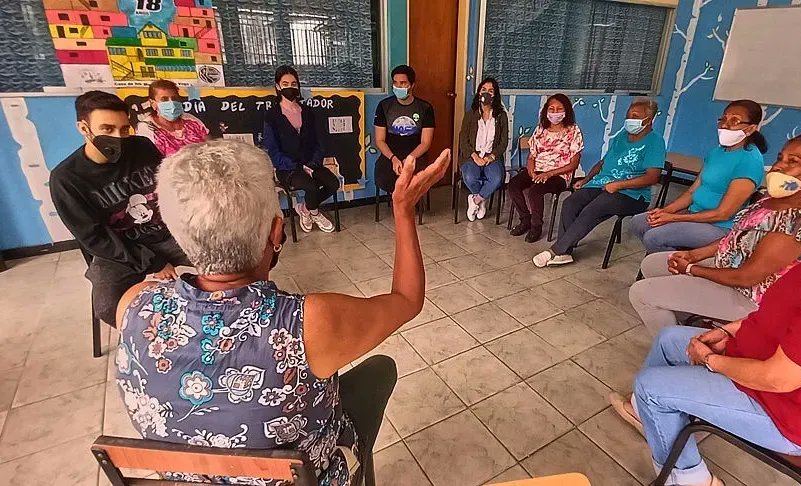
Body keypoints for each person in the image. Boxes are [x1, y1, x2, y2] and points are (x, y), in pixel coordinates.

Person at [115, 140, 450, 485]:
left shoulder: (133, 304)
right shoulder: (307, 323)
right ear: (277, 232)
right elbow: (407, 299)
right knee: (381, 369)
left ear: (179, 234)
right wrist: (403, 210)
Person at [612, 156, 801, 486]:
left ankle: (691, 478)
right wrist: (734, 329)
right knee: (669, 339)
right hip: (765, 361)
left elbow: (778, 379)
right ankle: (656, 419)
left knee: (652, 387)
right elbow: (782, 308)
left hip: (793, 414)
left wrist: (711, 360)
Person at [628, 133, 801, 332]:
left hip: (751, 297)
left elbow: (746, 277)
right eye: (781, 158)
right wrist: (695, 255)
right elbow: (738, 236)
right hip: (730, 267)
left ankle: (681, 348)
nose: (779, 166)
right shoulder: (772, 200)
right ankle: (698, 322)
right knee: (653, 264)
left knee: (641, 294)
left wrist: (693, 269)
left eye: (793, 162)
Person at [49, 90, 189, 328]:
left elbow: (170, 189)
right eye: (107, 129)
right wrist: (152, 262)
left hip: (170, 234)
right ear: (84, 128)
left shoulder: (142, 147)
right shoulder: (66, 179)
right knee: (107, 306)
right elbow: (95, 238)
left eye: (124, 130)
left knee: (234, 262)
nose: (118, 137)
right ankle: (163, 340)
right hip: (120, 250)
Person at [533, 98, 665, 267]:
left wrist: (619, 185)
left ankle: (556, 251)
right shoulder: (621, 137)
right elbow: (603, 163)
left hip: (632, 194)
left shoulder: (655, 142)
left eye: (635, 116)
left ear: (649, 120)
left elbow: (652, 177)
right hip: (602, 184)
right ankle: (565, 251)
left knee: (594, 208)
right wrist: (586, 180)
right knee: (570, 203)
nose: (630, 119)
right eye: (628, 115)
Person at [630, 100, 768, 253]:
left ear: (751, 128)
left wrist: (674, 218)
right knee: (639, 222)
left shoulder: (750, 161)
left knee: (654, 237)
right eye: (723, 119)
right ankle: (672, 257)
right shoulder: (717, 152)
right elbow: (692, 191)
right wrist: (665, 211)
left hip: (720, 227)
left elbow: (723, 213)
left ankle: (680, 265)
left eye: (734, 121)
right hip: (694, 214)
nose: (725, 125)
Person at [263, 65, 338, 233]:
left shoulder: (308, 112)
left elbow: (320, 142)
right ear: (277, 86)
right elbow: (273, 151)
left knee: (332, 184)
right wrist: (297, 166)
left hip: (311, 163)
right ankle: (315, 212)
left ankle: (305, 208)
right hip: (288, 168)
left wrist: (312, 163)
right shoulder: (272, 116)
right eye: (285, 83)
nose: (290, 87)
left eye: (294, 83)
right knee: (311, 186)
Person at [508, 93, 584, 242]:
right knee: (513, 185)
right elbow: (532, 156)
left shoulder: (573, 131)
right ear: (546, 111)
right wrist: (530, 170)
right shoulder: (541, 129)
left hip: (559, 175)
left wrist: (549, 174)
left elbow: (573, 164)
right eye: (552, 109)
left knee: (535, 191)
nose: (555, 112)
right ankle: (525, 220)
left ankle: (536, 226)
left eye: (559, 109)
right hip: (538, 170)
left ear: (566, 111)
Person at [374, 64, 435, 194]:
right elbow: (379, 140)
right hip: (391, 152)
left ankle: (408, 203)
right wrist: (393, 158)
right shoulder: (384, 106)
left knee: (415, 179)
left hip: (416, 153)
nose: (398, 87)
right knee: (383, 179)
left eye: (403, 83)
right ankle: (400, 201)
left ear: (412, 85)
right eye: (395, 83)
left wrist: (409, 159)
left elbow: (425, 143)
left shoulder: (425, 108)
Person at [458, 77, 509, 221]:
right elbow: (463, 140)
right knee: (469, 176)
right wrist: (475, 157)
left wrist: (491, 157)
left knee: (497, 178)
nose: (486, 93)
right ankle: (482, 199)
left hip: (492, 157)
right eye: (484, 90)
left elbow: (503, 142)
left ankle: (475, 201)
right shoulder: (471, 114)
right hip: (472, 156)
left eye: (491, 91)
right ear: (479, 92)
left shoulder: (501, 116)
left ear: (495, 95)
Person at [135, 79, 209, 157]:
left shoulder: (191, 120)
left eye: (174, 98)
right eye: (164, 99)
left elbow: (210, 145)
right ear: (153, 103)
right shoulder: (146, 128)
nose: (171, 103)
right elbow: (150, 160)